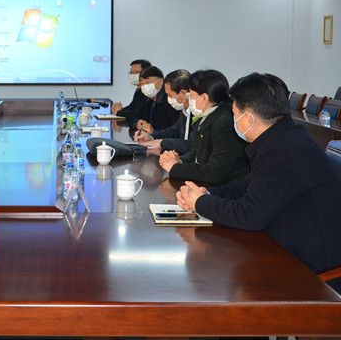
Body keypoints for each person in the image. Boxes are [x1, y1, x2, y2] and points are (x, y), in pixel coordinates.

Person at [176, 73, 341, 293]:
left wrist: (200, 203)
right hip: (285, 248)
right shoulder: (283, 137)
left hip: (311, 272)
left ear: (248, 118)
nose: (233, 120)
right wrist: (208, 194)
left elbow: (249, 215)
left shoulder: (283, 151)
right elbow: (247, 186)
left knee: (217, 278)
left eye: (234, 114)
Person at [159, 69, 248, 185]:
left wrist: (175, 167)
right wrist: (178, 160)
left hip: (227, 187)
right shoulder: (209, 115)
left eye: (191, 95)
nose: (189, 99)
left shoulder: (224, 122)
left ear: (205, 98)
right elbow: (198, 152)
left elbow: (214, 172)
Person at [135, 69, 196, 155]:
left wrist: (161, 142)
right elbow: (174, 131)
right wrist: (151, 137)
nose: (168, 99)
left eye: (170, 95)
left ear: (183, 93)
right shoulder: (184, 110)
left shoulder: (197, 113)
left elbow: (190, 145)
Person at [127, 65, 180, 132]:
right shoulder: (147, 100)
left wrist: (154, 132)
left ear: (161, 81)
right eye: (142, 83)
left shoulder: (169, 101)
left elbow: (175, 130)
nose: (145, 86)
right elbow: (133, 115)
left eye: (148, 82)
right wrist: (136, 123)